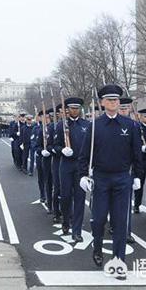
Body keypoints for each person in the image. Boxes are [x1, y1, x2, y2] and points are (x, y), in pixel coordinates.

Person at [78, 84, 143, 278]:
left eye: (116, 100)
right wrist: (83, 175)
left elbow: (137, 153)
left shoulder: (130, 125)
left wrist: (138, 175)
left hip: (123, 178)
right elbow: (84, 154)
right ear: (102, 103)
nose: (113, 103)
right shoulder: (95, 125)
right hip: (101, 178)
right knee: (98, 220)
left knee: (120, 222)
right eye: (109, 100)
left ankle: (118, 263)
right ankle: (97, 247)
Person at [53, 97, 89, 242]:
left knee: (80, 198)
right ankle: (66, 220)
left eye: (77, 108)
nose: (75, 110)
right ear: (68, 109)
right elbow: (54, 145)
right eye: (72, 108)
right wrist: (62, 150)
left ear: (80, 109)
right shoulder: (61, 125)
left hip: (81, 166)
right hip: (66, 165)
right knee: (66, 196)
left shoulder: (87, 125)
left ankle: (77, 230)